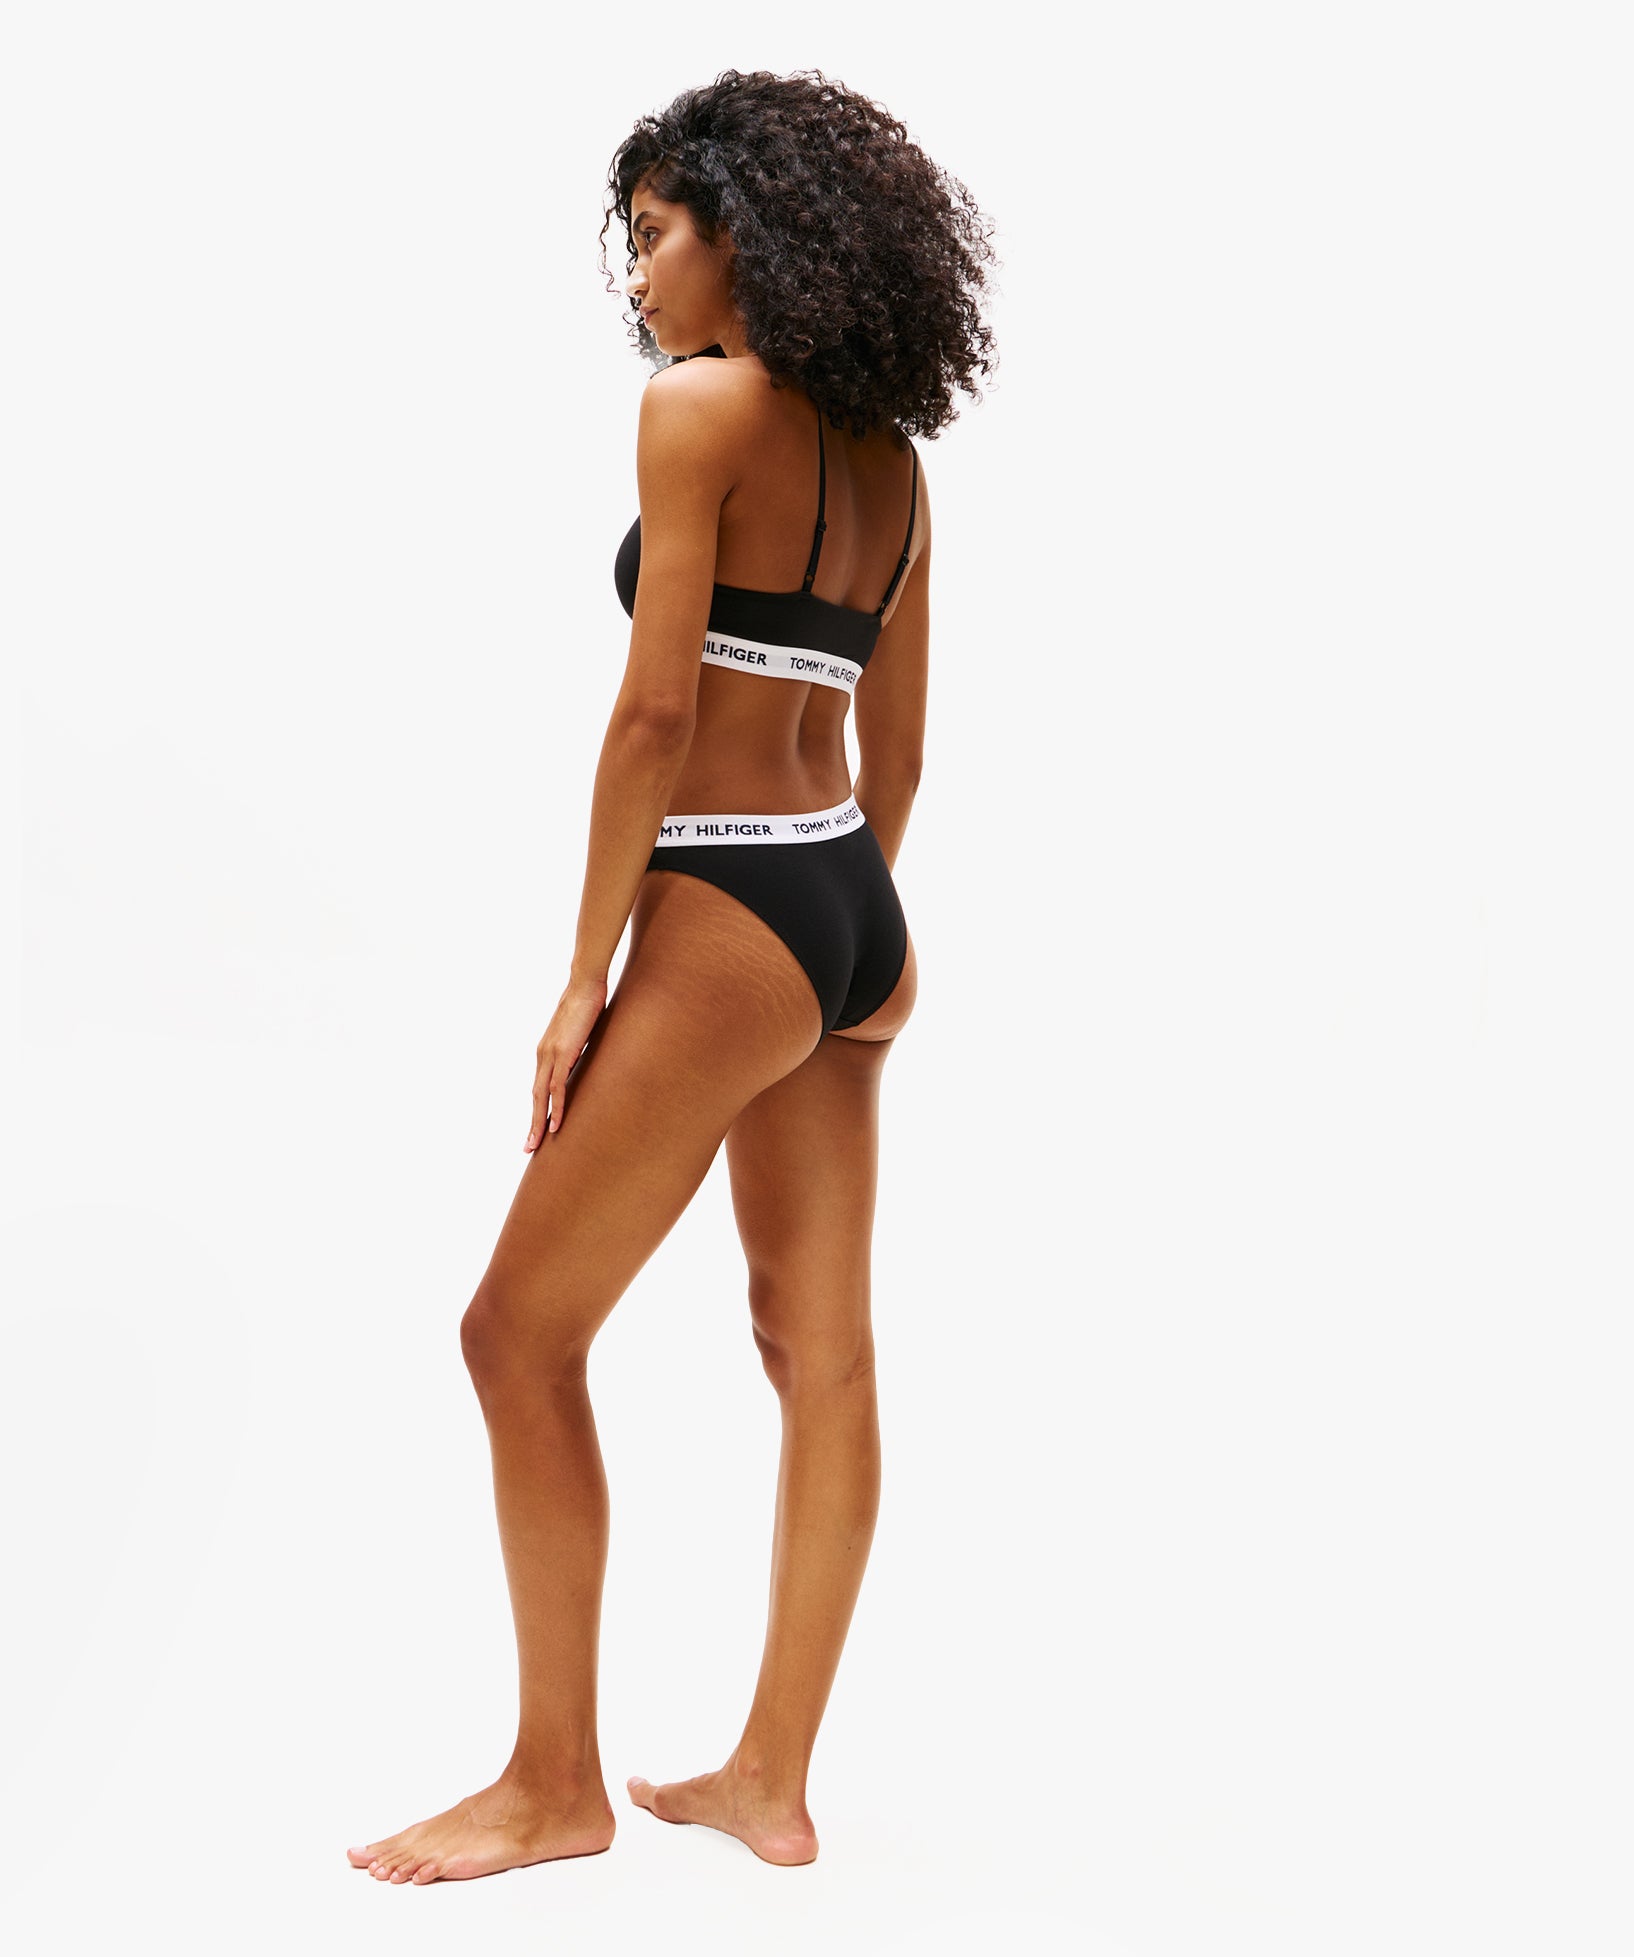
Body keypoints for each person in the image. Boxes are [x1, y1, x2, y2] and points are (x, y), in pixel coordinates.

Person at [349, 67, 997, 1886]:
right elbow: (901, 748)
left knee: (514, 1334)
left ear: (747, 236)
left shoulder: (696, 411)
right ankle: (769, 1779)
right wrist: (831, 936)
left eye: (654, 234)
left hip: (729, 898)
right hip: (853, 906)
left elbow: (651, 716)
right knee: (821, 1351)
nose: (638, 276)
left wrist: (590, 980)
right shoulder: (895, 462)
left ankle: (553, 1782)